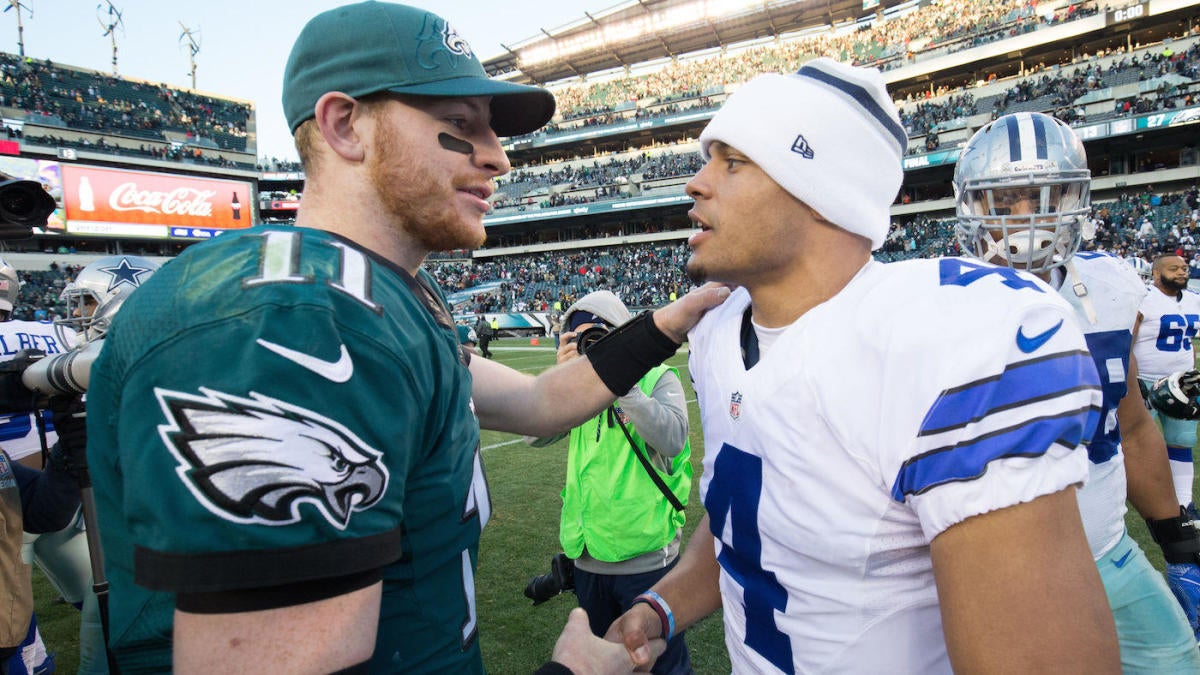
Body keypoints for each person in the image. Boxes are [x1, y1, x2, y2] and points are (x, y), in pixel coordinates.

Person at [85, 2, 723, 673]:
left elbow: (539, 401)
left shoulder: (385, 298)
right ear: (344, 125)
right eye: (459, 125)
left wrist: (669, 320)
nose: (498, 157)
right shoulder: (292, 321)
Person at [607, 61, 1118, 673]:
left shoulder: (947, 343)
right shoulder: (720, 332)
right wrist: (661, 605)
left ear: (820, 192)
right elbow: (751, 524)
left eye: (732, 161)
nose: (695, 182)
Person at [951, 111, 1200, 667]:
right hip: (987, 569)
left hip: (1104, 548)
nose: (1028, 217)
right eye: (1006, 200)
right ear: (974, 208)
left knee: (1176, 659)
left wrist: (1171, 530)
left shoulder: (1108, 288)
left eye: (1045, 195)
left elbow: (1131, 426)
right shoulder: (937, 304)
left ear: (1075, 200)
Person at [527, 290, 693, 675]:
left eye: (600, 336)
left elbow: (674, 438)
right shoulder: (577, 385)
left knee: (661, 663)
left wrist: (624, 380)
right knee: (600, 664)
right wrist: (560, 378)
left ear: (621, 332)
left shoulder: (656, 377)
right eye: (582, 338)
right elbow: (534, 434)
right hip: (589, 559)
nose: (593, 347)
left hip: (647, 556)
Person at [1134, 254, 1200, 514]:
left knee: (1182, 440)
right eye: (1174, 269)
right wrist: (1132, 378)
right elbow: (1128, 339)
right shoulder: (1143, 298)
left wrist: (1192, 371)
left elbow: (1189, 342)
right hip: (1146, 381)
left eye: (1184, 268)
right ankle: (1140, 500)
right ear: (1157, 273)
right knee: (1135, 443)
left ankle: (1185, 502)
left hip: (1182, 383)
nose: (1182, 272)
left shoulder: (1194, 299)